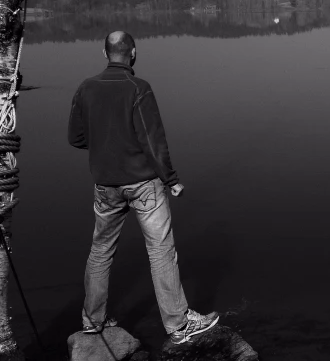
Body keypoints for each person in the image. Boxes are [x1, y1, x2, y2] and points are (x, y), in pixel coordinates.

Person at [68, 31, 218, 344]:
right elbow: (153, 142)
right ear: (133, 53)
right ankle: (177, 325)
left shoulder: (86, 87)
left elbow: (76, 138)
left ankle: (92, 322)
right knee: (161, 251)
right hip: (143, 185)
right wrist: (172, 180)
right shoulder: (139, 88)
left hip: (105, 186)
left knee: (100, 252)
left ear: (104, 52)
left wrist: (106, 148)